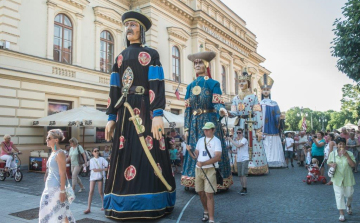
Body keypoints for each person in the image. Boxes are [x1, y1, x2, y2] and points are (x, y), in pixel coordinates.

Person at [103, 10, 176, 220]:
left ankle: (153, 200)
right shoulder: (119, 58)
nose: (129, 29)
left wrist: (157, 113)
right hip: (125, 111)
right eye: (127, 25)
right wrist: (110, 118)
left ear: (141, 30)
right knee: (125, 153)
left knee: (148, 151)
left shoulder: (152, 54)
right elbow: (114, 88)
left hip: (145, 108)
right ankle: (121, 201)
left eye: (133, 25)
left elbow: (156, 84)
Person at [181, 51, 232, 190]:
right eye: (195, 63)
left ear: (206, 64)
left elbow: (217, 102)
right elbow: (188, 108)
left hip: (209, 120)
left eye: (200, 62)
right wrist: (186, 128)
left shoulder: (213, 83)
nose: (197, 65)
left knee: (210, 147)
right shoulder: (190, 86)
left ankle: (217, 179)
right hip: (194, 123)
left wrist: (221, 109)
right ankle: (192, 179)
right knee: (194, 149)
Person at [229, 69, 268, 175]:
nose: (241, 84)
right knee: (238, 142)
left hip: (251, 123)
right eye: (240, 82)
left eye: (244, 82)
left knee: (252, 143)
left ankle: (253, 165)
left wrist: (258, 128)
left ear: (248, 83)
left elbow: (258, 113)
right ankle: (237, 165)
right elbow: (233, 113)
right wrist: (227, 114)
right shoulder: (235, 98)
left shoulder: (254, 97)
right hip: (239, 124)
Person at [186, 122, 222, 223]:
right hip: (198, 170)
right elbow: (195, 156)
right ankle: (205, 211)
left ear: (213, 130)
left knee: (209, 194)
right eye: (204, 130)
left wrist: (204, 163)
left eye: (207, 130)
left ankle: (211, 219)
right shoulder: (201, 140)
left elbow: (218, 157)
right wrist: (189, 150)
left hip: (210, 170)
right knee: (200, 192)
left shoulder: (216, 141)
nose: (205, 131)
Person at [39, 129, 75, 223]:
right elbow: (51, 168)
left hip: (56, 188)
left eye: (49, 138)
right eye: (47, 138)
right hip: (49, 187)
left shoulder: (60, 153)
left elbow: (62, 173)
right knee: (59, 212)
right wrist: (46, 175)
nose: (47, 140)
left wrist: (62, 191)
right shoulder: (53, 153)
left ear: (56, 140)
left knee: (60, 213)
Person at [258, 75, 286, 168]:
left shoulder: (274, 103)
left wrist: (279, 117)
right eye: (264, 90)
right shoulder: (259, 103)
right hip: (262, 128)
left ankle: (274, 160)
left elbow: (277, 114)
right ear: (262, 91)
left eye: (267, 90)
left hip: (272, 127)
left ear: (269, 91)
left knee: (272, 143)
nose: (266, 91)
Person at [327, 137, 356, 222]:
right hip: (337, 178)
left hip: (348, 177)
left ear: (345, 145)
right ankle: (341, 214)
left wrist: (347, 156)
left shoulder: (349, 153)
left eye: (343, 144)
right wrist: (332, 165)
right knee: (339, 196)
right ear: (336, 145)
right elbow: (328, 162)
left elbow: (353, 165)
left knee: (349, 195)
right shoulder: (333, 154)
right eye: (339, 144)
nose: (341, 145)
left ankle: (348, 205)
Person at [84, 148, 108, 214]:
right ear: (93, 153)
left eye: (97, 151)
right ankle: (88, 208)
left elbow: (107, 165)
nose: (97, 152)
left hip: (100, 177)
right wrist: (103, 169)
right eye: (95, 151)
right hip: (93, 177)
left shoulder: (102, 159)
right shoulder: (91, 160)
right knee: (91, 191)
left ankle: (103, 205)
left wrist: (104, 168)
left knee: (100, 192)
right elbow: (94, 170)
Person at [228, 129, 249, 195]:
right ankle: (242, 187)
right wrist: (232, 152)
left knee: (243, 174)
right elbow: (238, 150)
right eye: (237, 133)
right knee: (240, 174)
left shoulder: (244, 140)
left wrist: (231, 140)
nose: (238, 134)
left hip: (244, 159)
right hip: (239, 159)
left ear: (242, 133)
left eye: (239, 133)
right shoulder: (239, 140)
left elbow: (238, 146)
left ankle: (245, 188)